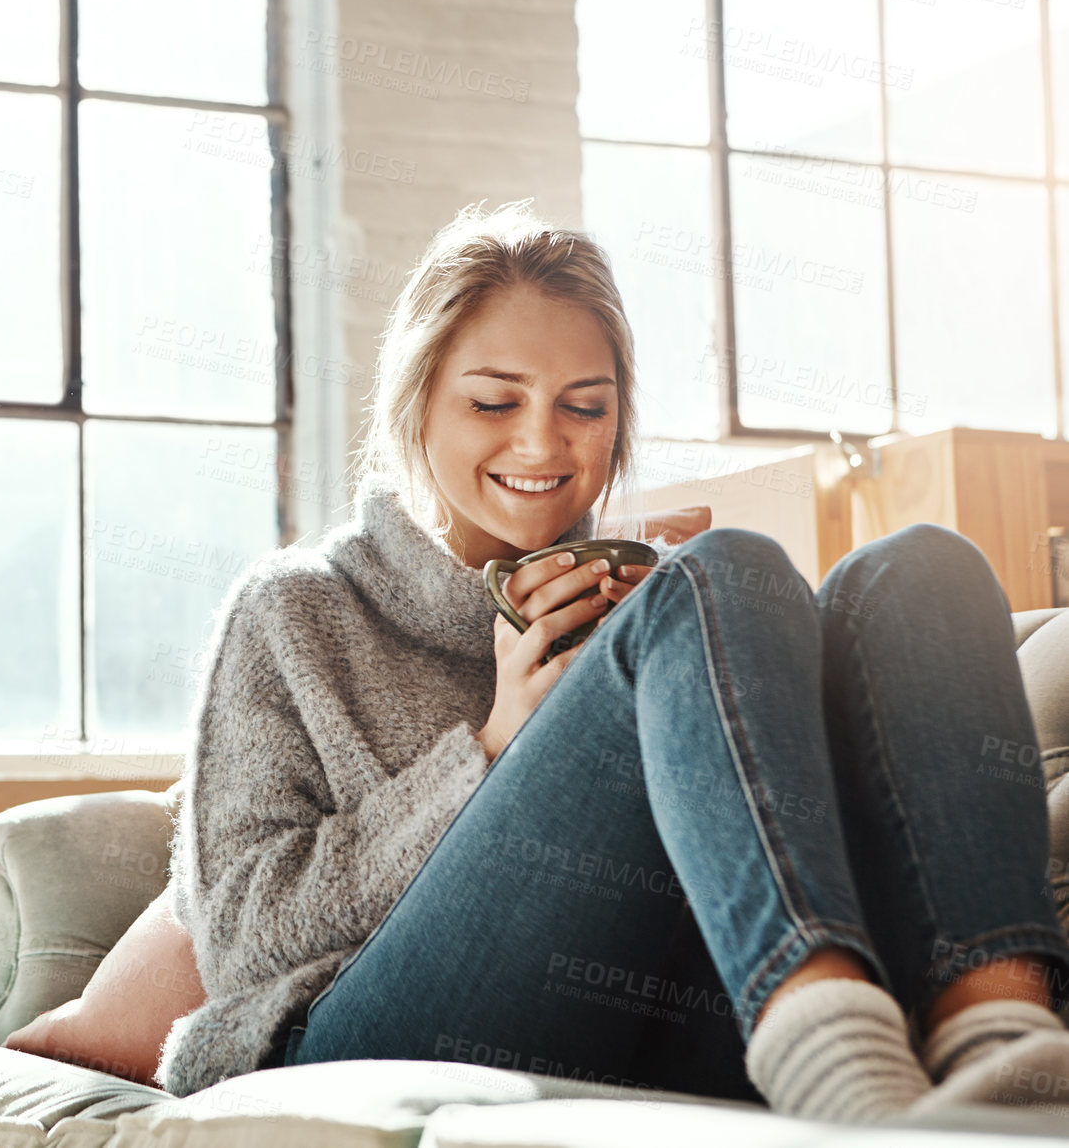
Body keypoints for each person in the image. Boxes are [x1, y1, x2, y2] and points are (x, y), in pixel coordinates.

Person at [153, 199, 1069, 1123]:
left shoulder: (658, 607)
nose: (542, 444)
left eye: (583, 407)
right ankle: (836, 1060)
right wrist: (488, 749)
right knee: (730, 572)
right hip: (363, 1022)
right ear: (418, 400)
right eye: (492, 402)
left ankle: (1001, 1049)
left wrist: (682, 666)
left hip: (667, 1009)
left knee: (922, 570)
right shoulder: (296, 607)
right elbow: (240, 938)